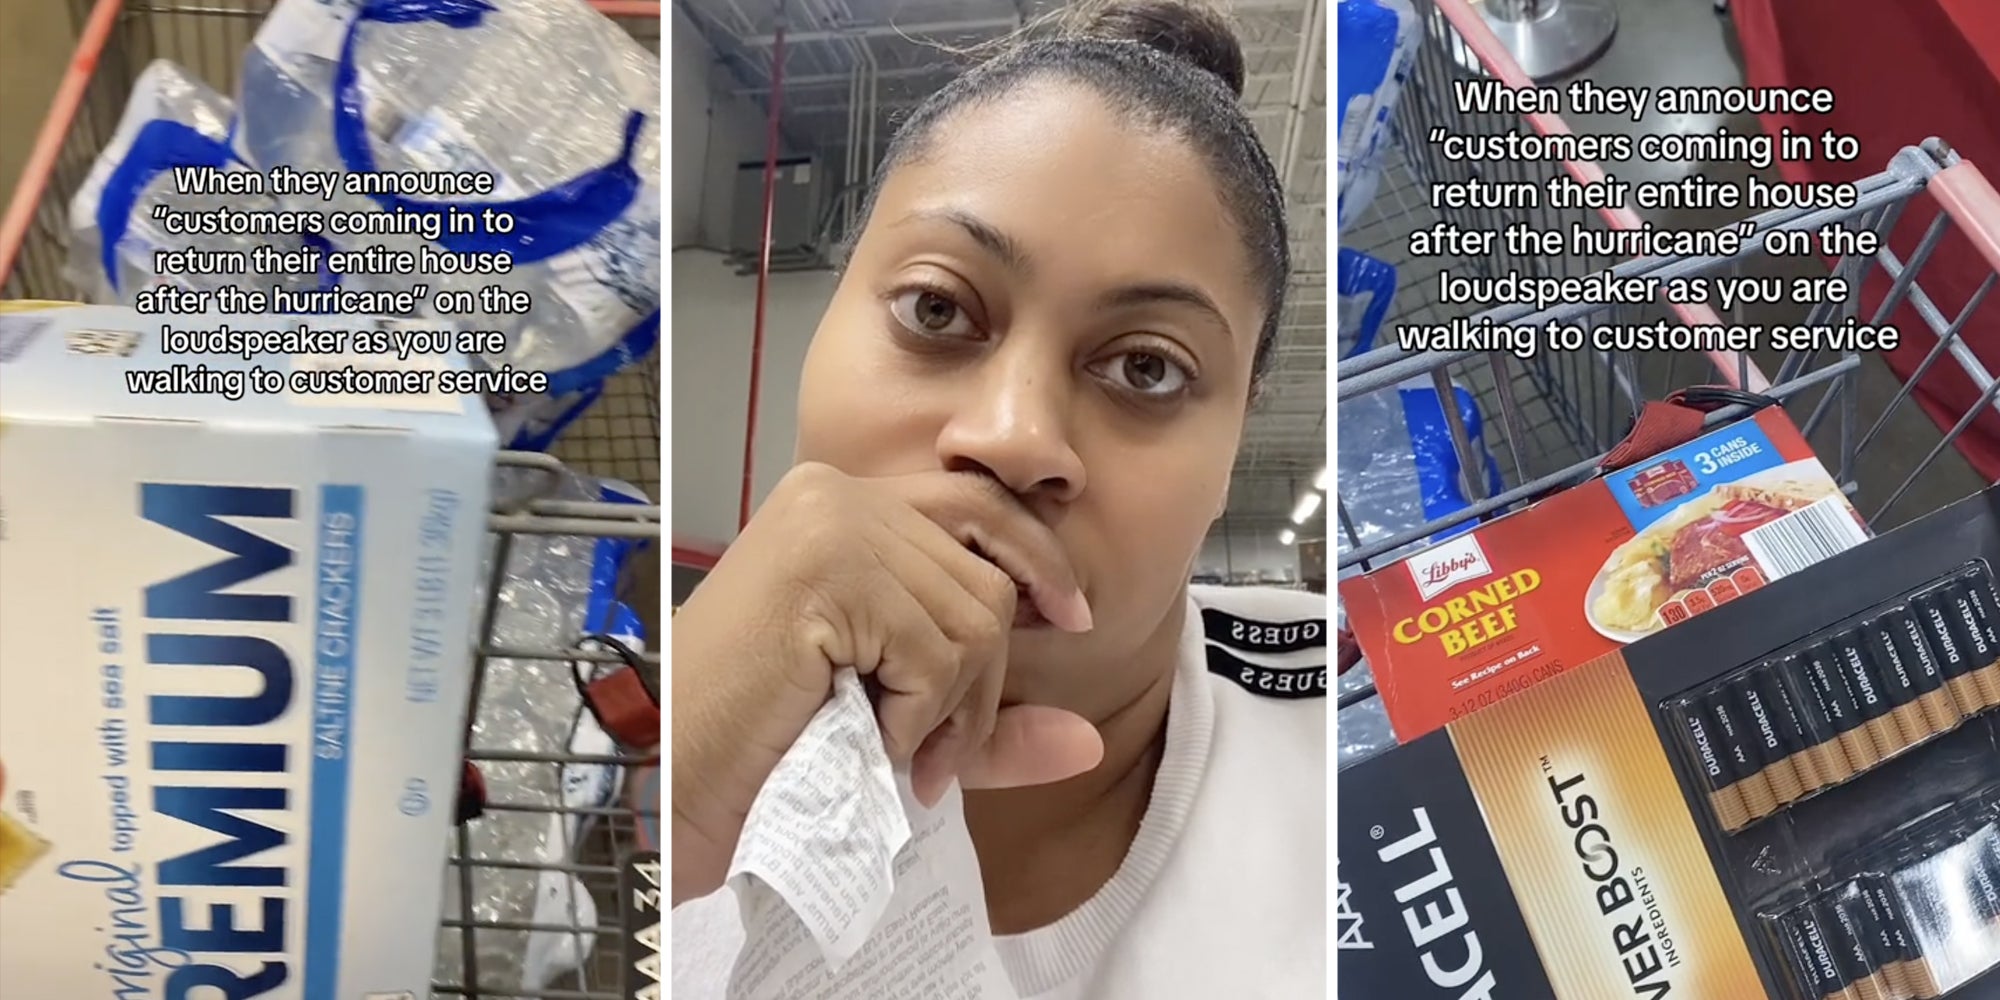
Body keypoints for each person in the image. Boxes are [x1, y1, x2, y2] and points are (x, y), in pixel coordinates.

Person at [670, 1, 1326, 996]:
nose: (1014, 439)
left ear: (1236, 436)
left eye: (1145, 367)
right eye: (936, 308)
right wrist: (675, 817)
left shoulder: (1356, 753)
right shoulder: (656, 738)